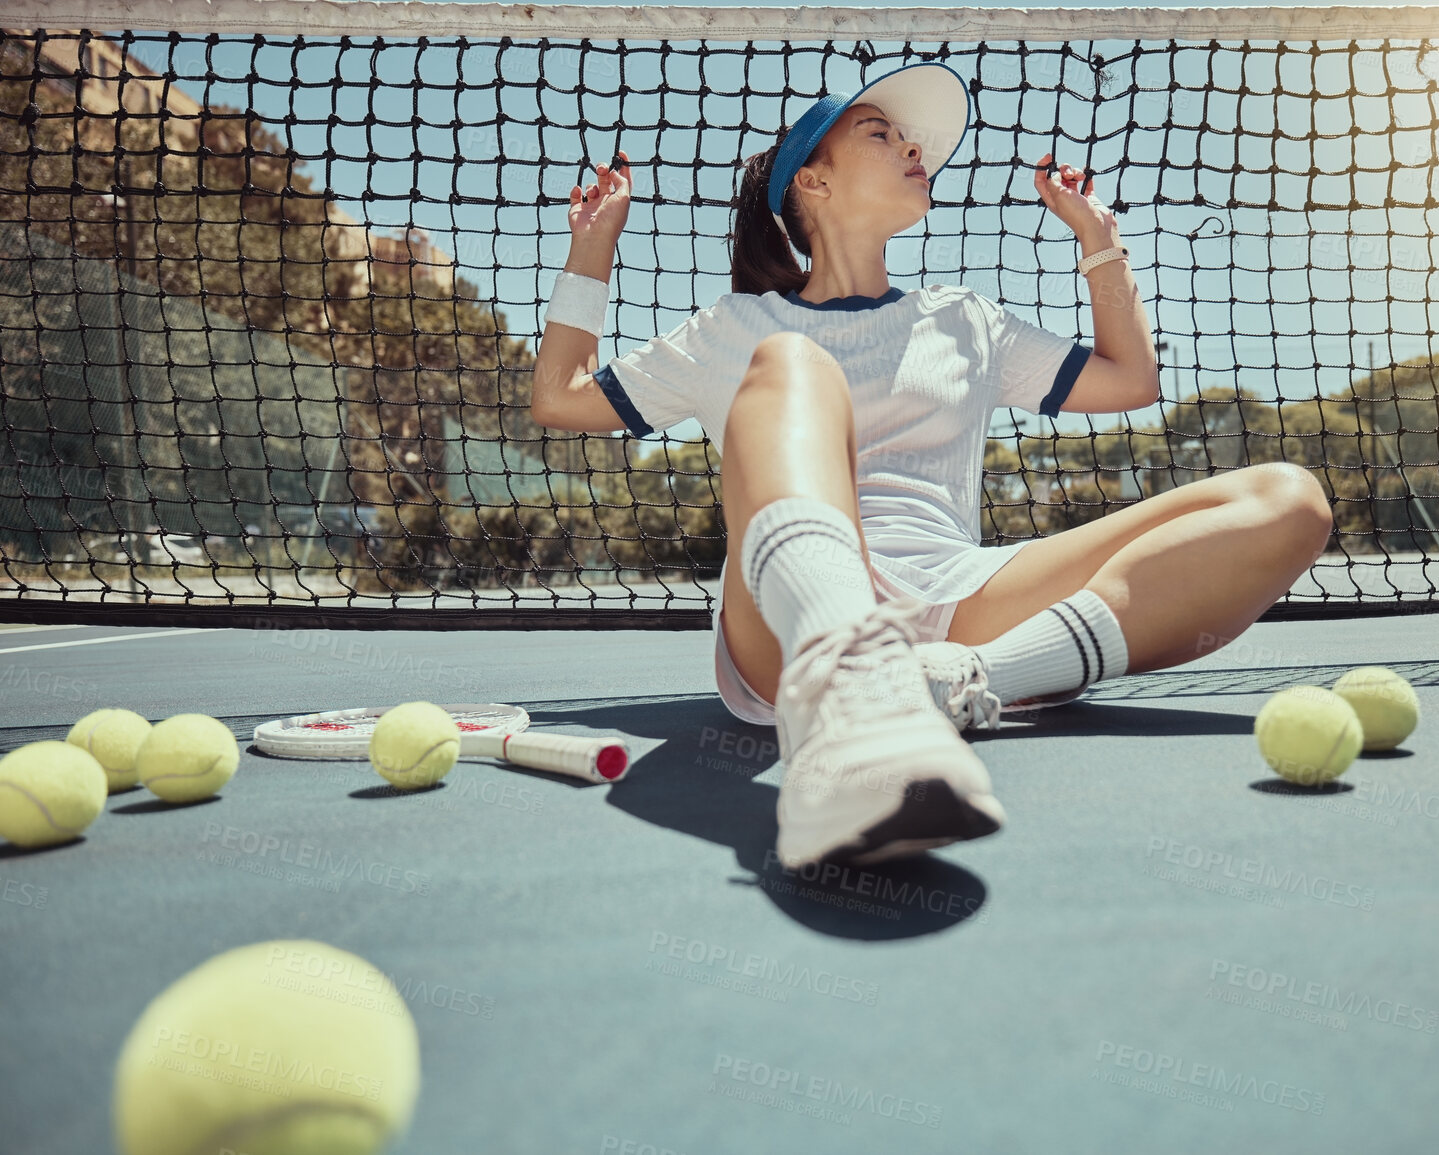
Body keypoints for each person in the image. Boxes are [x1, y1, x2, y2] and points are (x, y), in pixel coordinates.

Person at [530, 63, 1333, 871]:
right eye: (879, 134)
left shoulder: (964, 319)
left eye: (909, 139)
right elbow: (560, 399)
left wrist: (1100, 240)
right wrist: (592, 246)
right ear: (812, 180)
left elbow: (1131, 380)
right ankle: (848, 683)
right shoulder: (731, 327)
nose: (911, 148)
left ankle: (958, 681)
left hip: (960, 604)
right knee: (792, 364)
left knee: (1287, 498)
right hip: (783, 632)